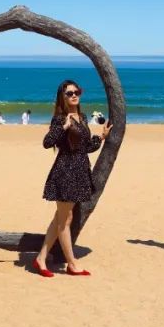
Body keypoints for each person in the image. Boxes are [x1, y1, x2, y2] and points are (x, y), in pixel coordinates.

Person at [33, 80, 111, 278]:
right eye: (69, 93)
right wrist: (64, 126)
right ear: (63, 97)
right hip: (65, 172)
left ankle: (41, 258)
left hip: (80, 172)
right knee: (65, 219)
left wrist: (101, 138)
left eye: (77, 91)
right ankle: (72, 264)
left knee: (60, 218)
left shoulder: (82, 117)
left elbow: (85, 147)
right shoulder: (60, 119)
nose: (74, 95)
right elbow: (47, 142)